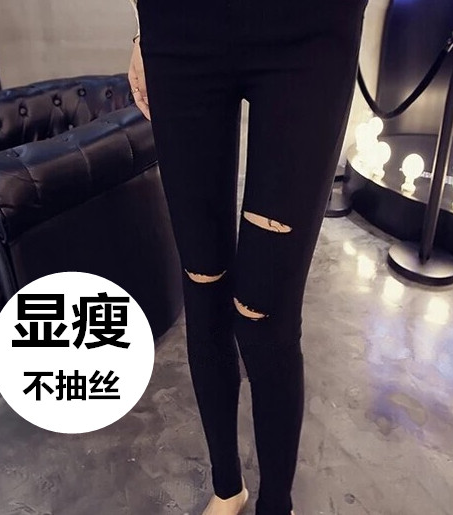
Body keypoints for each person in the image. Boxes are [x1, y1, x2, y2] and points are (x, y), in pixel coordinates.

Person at [126, 1, 368, 513]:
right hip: (177, 26)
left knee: (265, 314)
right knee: (203, 286)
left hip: (309, 27)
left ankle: (276, 504)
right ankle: (226, 487)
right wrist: (142, 26)